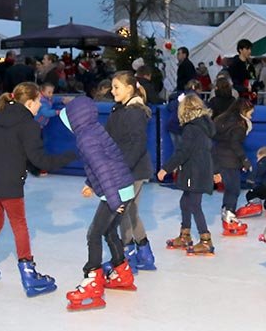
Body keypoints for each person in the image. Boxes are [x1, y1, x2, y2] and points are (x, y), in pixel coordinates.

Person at [0, 82, 76, 294]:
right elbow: (41, 161)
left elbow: (15, 153)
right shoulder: (29, 124)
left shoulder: (1, 119)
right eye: (38, 101)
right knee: (19, 224)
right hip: (8, 183)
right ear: (29, 103)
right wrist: (72, 155)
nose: (39, 105)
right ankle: (29, 274)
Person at [60, 97, 140, 311]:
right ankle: (122, 271)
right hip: (123, 187)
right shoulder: (95, 130)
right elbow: (107, 162)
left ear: (75, 119)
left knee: (94, 234)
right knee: (110, 231)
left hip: (114, 192)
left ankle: (93, 280)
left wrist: (113, 200)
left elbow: (103, 168)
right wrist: (90, 183)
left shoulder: (86, 138)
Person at [105, 71, 157, 272]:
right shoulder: (120, 109)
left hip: (132, 170)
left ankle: (127, 256)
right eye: (112, 87)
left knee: (122, 212)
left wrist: (122, 169)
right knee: (131, 211)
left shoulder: (134, 112)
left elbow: (137, 143)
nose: (112, 90)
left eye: (116, 87)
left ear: (129, 88)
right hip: (131, 168)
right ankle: (144, 253)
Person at [158, 94, 218, 256]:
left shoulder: (191, 128)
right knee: (185, 201)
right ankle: (185, 235)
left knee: (193, 204)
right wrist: (215, 171)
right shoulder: (203, 125)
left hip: (195, 171)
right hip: (198, 170)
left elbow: (183, 152)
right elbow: (209, 150)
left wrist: (166, 168)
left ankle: (206, 240)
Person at [212, 98, 254, 236]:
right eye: (250, 113)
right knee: (234, 190)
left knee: (230, 189)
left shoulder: (224, 119)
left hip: (220, 158)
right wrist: (245, 160)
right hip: (229, 161)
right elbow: (235, 144)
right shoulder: (239, 125)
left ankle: (227, 215)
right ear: (244, 111)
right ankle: (229, 216)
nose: (251, 116)